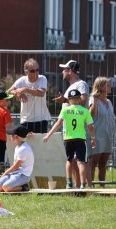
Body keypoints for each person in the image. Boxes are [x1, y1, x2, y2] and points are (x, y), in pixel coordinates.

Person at [43, 89, 96, 189]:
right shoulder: (85, 111)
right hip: (80, 139)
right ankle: (83, 185)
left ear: (69, 100)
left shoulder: (65, 110)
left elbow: (58, 124)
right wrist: (93, 138)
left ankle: (69, 183)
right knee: (81, 162)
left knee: (69, 160)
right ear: (80, 99)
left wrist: (48, 135)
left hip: (68, 139)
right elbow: (91, 127)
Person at [52, 60, 89, 188]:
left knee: (80, 160)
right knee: (74, 161)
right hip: (69, 131)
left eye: (64, 69)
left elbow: (83, 102)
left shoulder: (81, 84)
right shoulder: (71, 86)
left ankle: (84, 186)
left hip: (77, 131)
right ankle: (78, 185)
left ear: (70, 71)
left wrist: (65, 99)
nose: (62, 72)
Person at [7, 58, 50, 133]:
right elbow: (7, 92)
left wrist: (25, 89)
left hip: (41, 120)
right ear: (26, 72)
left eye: (37, 70)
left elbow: (41, 93)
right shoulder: (22, 80)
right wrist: (17, 93)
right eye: (33, 71)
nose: (36, 73)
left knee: (39, 144)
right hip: (25, 120)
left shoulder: (42, 78)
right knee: (26, 144)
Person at [88, 77, 114, 185]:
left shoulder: (109, 102)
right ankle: (90, 186)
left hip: (108, 135)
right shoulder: (93, 100)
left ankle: (102, 187)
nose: (110, 86)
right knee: (93, 162)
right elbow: (91, 114)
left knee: (103, 162)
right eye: (107, 85)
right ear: (100, 87)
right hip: (97, 135)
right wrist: (95, 101)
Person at [0, 125, 34, 192]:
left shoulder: (23, 148)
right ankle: (13, 186)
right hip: (15, 173)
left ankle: (23, 187)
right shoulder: (18, 147)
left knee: (6, 187)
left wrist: (5, 173)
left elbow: (16, 166)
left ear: (16, 137)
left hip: (23, 175)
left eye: (11, 134)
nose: (10, 136)